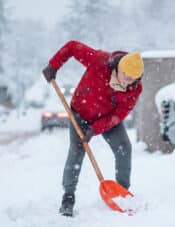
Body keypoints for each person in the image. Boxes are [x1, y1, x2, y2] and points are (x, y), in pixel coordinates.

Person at [42, 40, 144, 217]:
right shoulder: (100, 60)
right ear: (118, 67)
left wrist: (95, 128)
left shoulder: (135, 88)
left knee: (124, 149)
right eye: (125, 76)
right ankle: (68, 197)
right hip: (80, 113)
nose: (128, 81)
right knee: (76, 152)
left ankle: (121, 193)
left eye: (133, 78)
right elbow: (73, 46)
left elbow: (120, 113)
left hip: (107, 119)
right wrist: (53, 65)